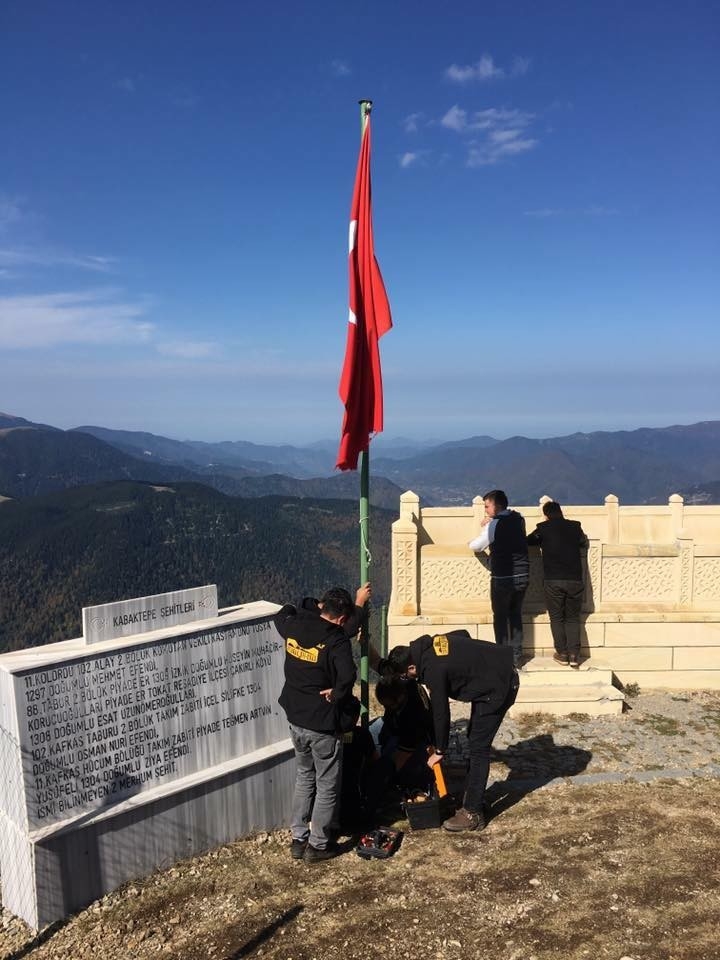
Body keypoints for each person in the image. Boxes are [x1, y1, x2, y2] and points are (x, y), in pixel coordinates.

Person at [384, 629, 519, 833]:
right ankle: (472, 795)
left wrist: (440, 750)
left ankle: (473, 813)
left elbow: (441, 713)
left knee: (479, 747)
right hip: (496, 674)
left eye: (406, 675)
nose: (408, 679)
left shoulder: (433, 670)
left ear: (412, 667)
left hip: (499, 686)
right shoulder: (432, 644)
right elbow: (463, 634)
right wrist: (470, 664)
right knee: (474, 738)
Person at [274, 587, 357, 863]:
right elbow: (348, 675)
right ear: (342, 619)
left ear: (322, 607)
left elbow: (281, 615)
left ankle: (298, 838)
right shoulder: (336, 640)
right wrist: (337, 692)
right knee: (326, 785)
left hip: (295, 717)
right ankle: (319, 844)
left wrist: (299, 605)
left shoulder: (294, 625)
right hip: (321, 722)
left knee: (304, 776)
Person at [468, 489, 529, 666]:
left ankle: (503, 657)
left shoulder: (494, 525)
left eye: (487, 506)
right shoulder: (519, 519)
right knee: (515, 615)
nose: (485, 510)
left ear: (497, 506)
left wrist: (486, 526)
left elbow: (477, 546)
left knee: (501, 617)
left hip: (503, 577)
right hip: (523, 575)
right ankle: (517, 657)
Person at [527, 500, 589, 668]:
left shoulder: (543, 528)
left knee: (556, 617)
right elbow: (583, 542)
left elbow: (529, 541)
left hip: (553, 580)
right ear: (561, 512)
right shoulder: (575, 526)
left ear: (546, 515)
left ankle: (562, 653)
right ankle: (574, 655)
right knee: (573, 618)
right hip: (575, 580)